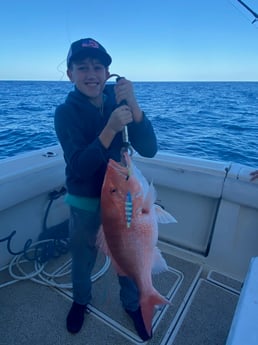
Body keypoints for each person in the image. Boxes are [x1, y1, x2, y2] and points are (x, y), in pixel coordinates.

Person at [54, 38, 157, 341]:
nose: (91, 74)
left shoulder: (118, 98)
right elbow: (78, 167)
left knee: (128, 251)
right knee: (83, 257)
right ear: (70, 73)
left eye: (98, 67)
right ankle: (80, 300)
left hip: (122, 198)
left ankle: (134, 302)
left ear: (107, 71)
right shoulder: (65, 113)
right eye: (82, 67)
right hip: (85, 201)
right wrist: (110, 129)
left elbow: (149, 149)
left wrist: (134, 106)